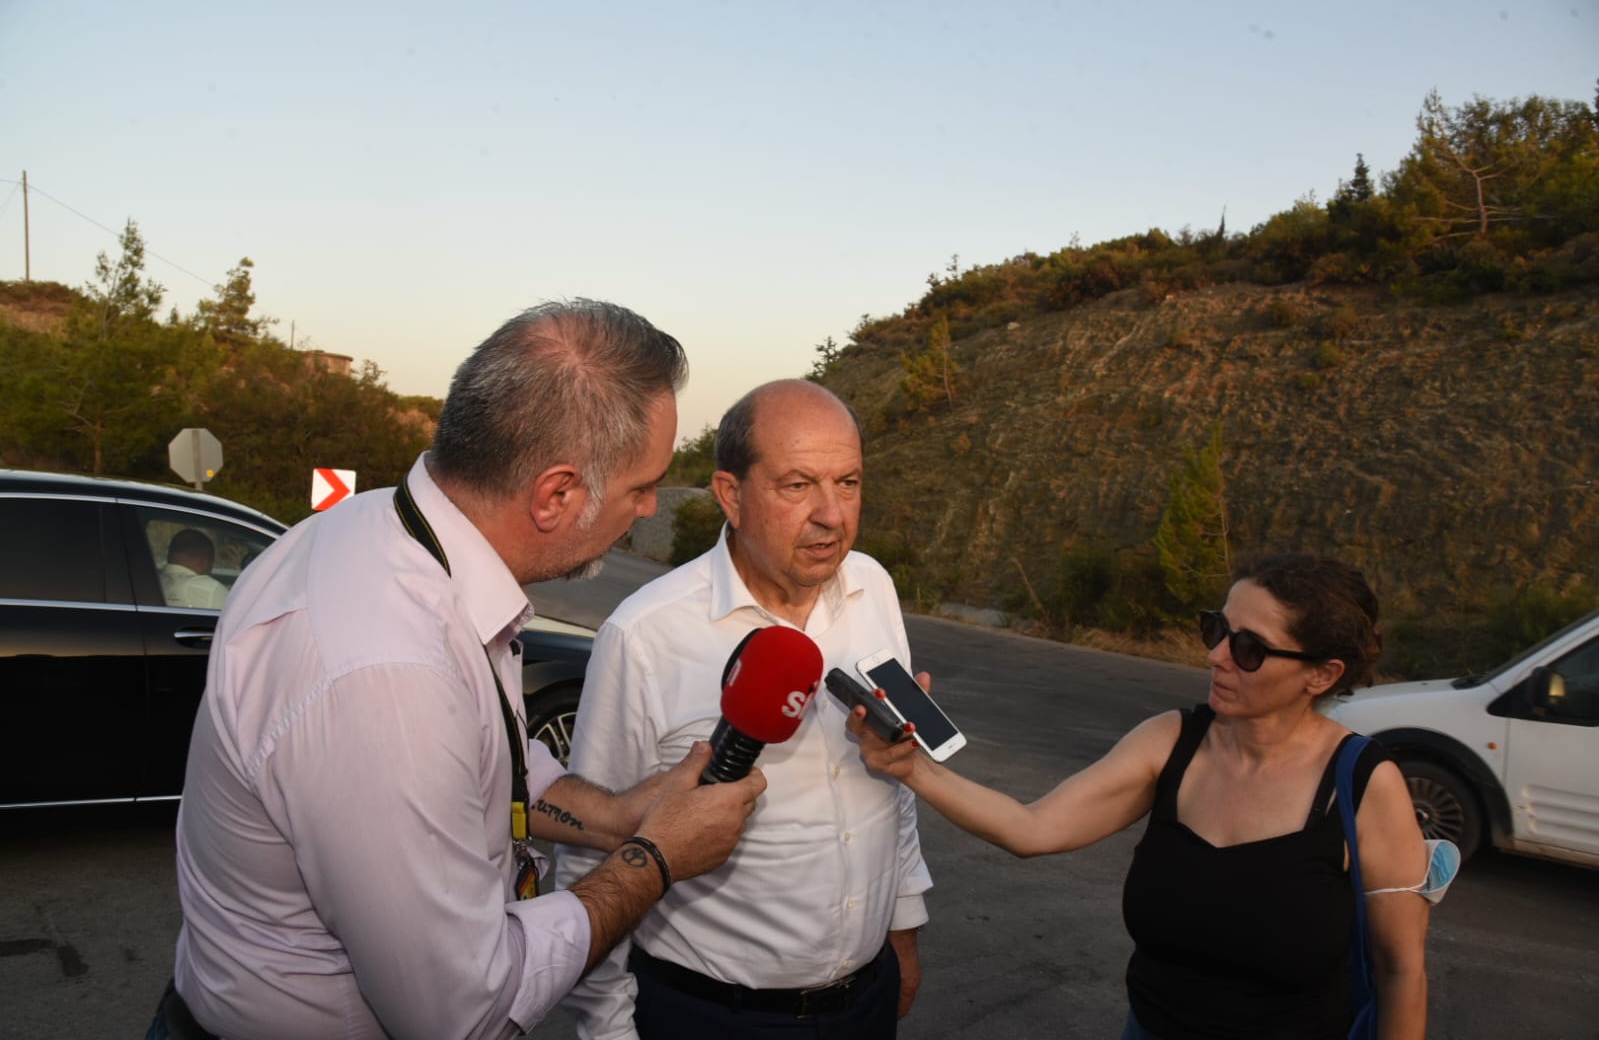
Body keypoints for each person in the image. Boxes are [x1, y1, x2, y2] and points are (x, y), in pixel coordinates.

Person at [153, 301, 766, 1040]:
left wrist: (617, 816)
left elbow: (482, 758)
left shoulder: (383, 527)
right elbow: (459, 1015)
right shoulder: (389, 677)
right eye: (642, 487)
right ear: (557, 494)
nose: (646, 509)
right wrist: (655, 858)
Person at [847, 553, 1433, 1040]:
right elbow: (1034, 828)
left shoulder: (1362, 784)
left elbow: (1400, 971)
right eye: (1217, 630)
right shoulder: (1171, 741)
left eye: (1249, 648)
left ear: (1322, 674)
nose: (1216, 655)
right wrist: (913, 769)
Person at [556, 379, 933, 1039]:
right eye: (798, 485)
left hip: (865, 1001)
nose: (832, 515)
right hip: (710, 1016)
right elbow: (592, 849)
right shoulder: (645, 634)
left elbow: (890, 784)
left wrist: (902, 927)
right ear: (730, 495)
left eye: (848, 483)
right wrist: (607, 1029)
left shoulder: (873, 586)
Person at [159, 528, 230, 609]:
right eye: (212, 562)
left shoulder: (151, 584)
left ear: (169, 555)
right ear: (203, 561)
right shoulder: (211, 590)